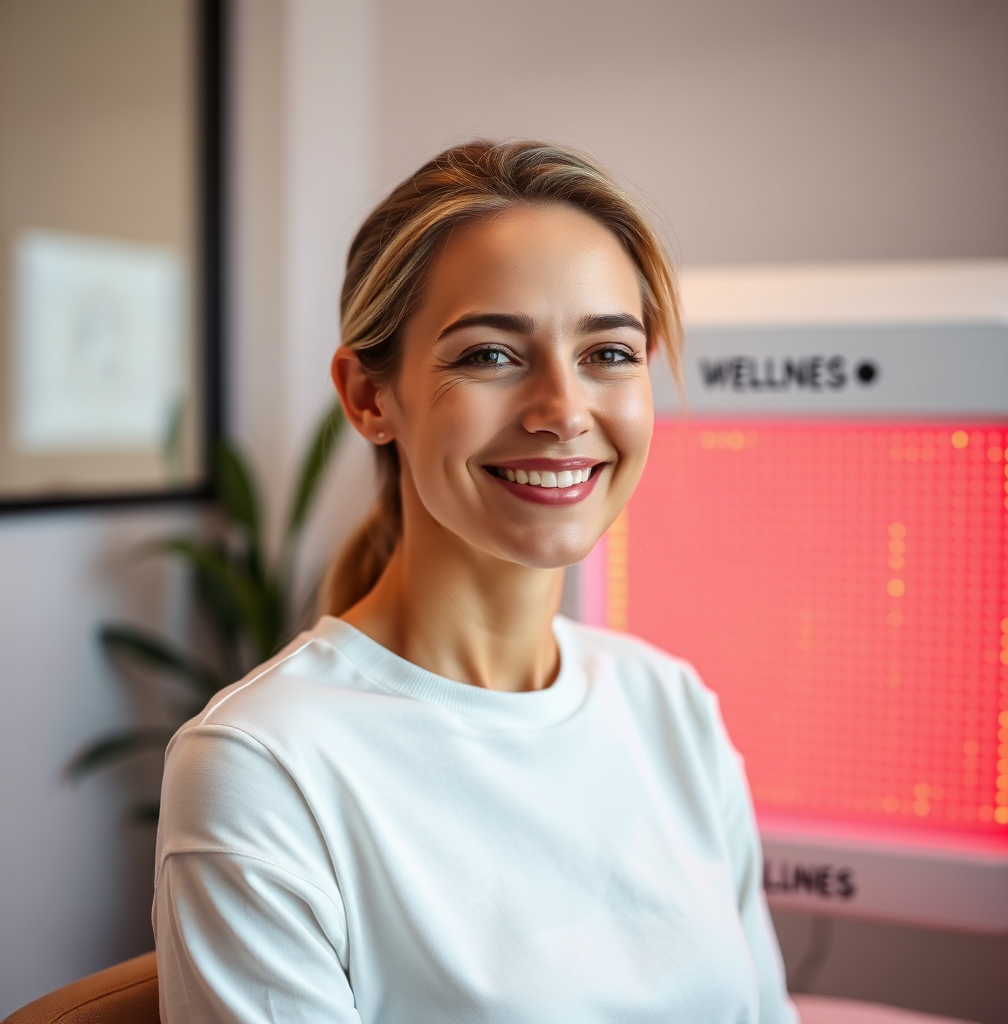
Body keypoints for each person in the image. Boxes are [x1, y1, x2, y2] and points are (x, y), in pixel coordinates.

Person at [153, 140, 797, 1024]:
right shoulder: (264, 765)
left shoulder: (671, 708)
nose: (564, 411)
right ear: (369, 397)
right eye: (493, 355)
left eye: (608, 352)